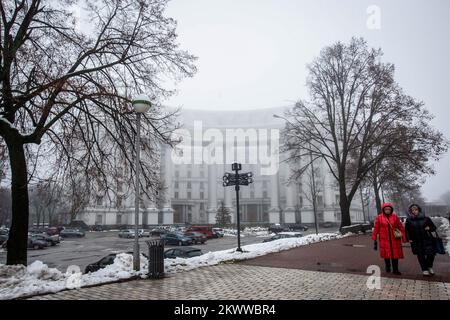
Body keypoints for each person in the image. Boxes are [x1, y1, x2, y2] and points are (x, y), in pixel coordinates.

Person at [372, 202, 407, 275]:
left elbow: (400, 227)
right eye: (386, 209)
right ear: (383, 210)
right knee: (386, 255)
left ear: (391, 209)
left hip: (395, 239)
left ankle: (395, 269)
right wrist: (374, 237)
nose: (387, 210)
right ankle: (388, 267)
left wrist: (404, 238)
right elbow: (376, 228)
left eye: (389, 209)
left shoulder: (395, 217)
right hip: (384, 240)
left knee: (395, 255)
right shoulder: (379, 217)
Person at [405, 204, 437, 276]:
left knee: (431, 254)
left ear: (419, 210)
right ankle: (424, 269)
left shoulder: (426, 219)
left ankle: (429, 267)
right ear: (410, 211)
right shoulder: (409, 220)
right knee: (420, 255)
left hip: (427, 239)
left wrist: (429, 228)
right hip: (416, 241)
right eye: (412, 210)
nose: (414, 211)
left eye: (416, 210)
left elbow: (434, 227)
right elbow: (407, 230)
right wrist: (409, 239)